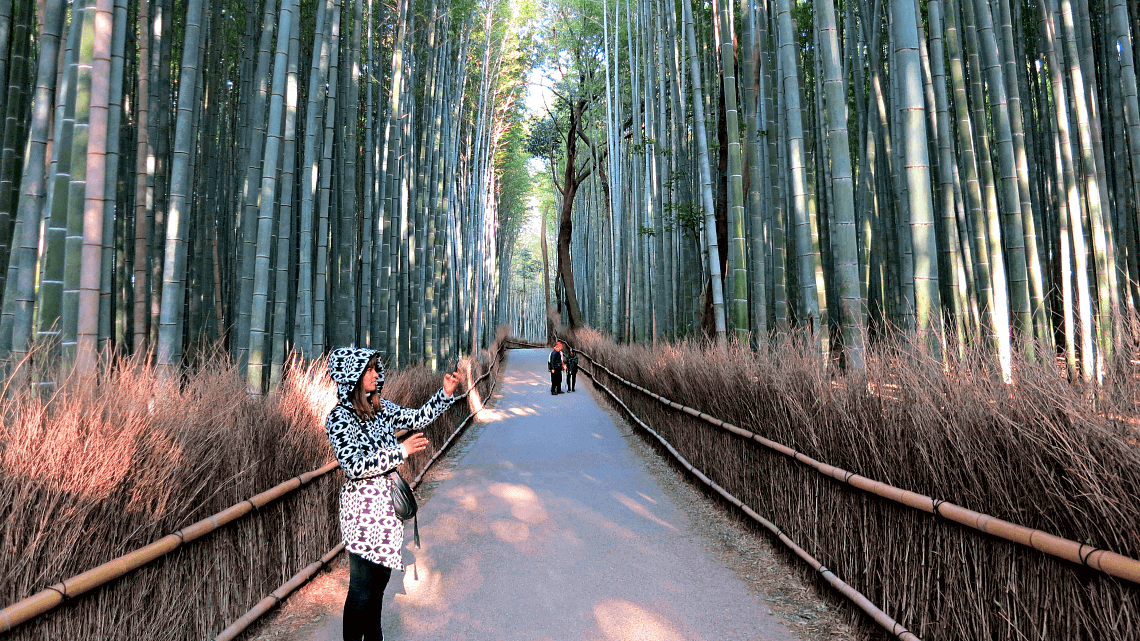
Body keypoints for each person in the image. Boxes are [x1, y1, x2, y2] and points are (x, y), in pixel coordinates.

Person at [325, 347, 463, 641]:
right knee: (362, 585)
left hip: (387, 510)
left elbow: (417, 418)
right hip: (361, 512)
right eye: (369, 369)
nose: (376, 374)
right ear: (353, 375)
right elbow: (353, 466)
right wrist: (400, 451)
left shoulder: (380, 408)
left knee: (380, 582)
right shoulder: (339, 419)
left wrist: (445, 393)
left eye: (377, 368)